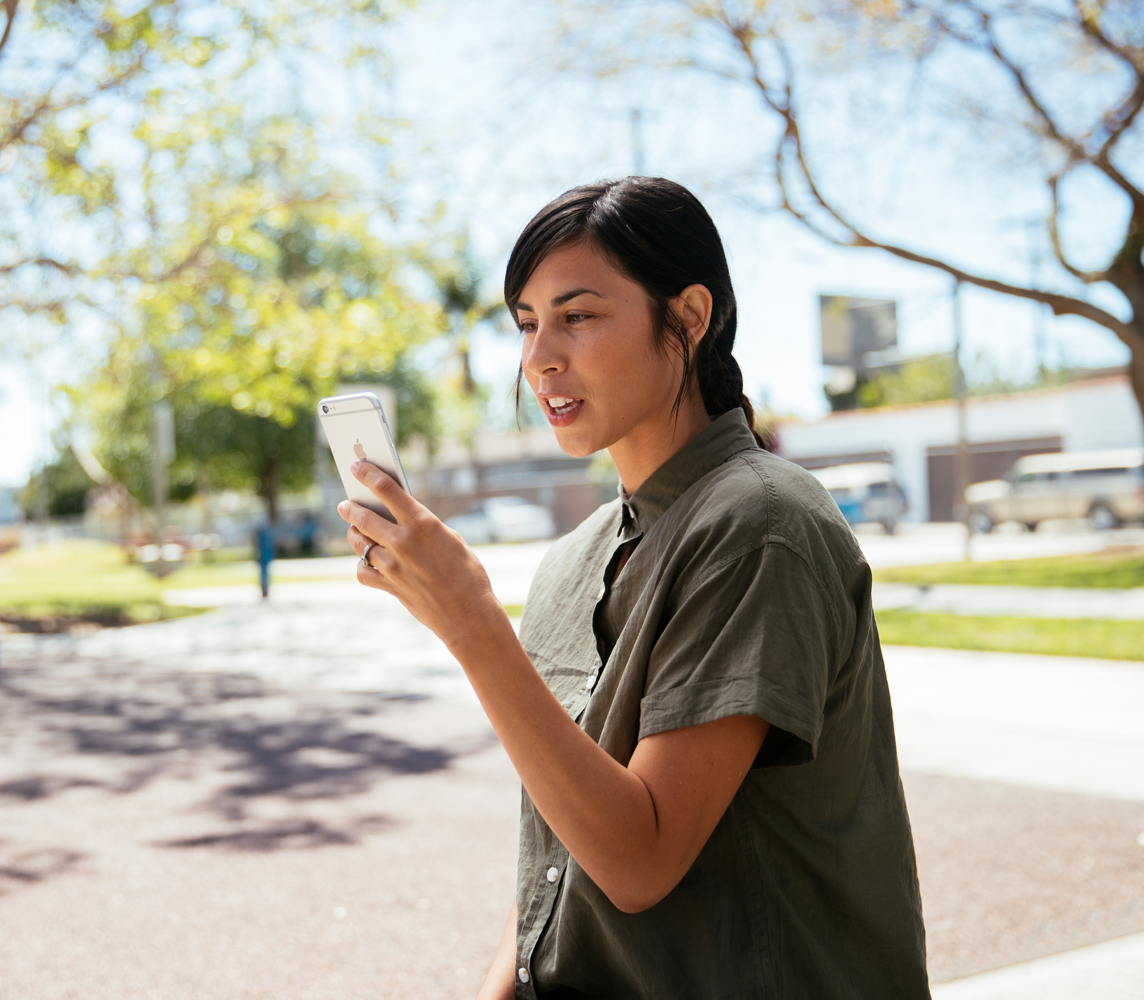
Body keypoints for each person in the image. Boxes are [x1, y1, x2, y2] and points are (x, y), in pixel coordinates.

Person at [337, 178, 929, 999]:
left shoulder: (761, 523)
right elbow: (559, 855)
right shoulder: (572, 560)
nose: (540, 357)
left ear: (689, 316)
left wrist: (471, 623)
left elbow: (639, 860)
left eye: (577, 316)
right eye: (527, 323)